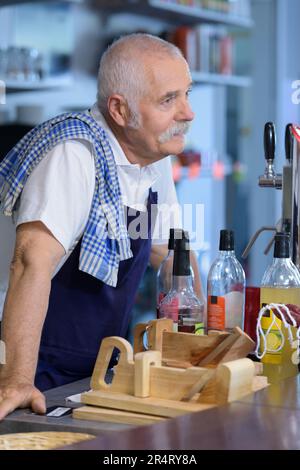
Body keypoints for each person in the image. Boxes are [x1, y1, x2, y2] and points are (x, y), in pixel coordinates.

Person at [0, 33, 205, 420]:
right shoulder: (74, 154)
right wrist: (15, 380)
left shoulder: (152, 155)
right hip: (29, 367)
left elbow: (172, 251)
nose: (188, 112)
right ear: (120, 110)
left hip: (94, 368)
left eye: (187, 94)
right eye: (168, 99)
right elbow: (30, 264)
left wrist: (204, 337)